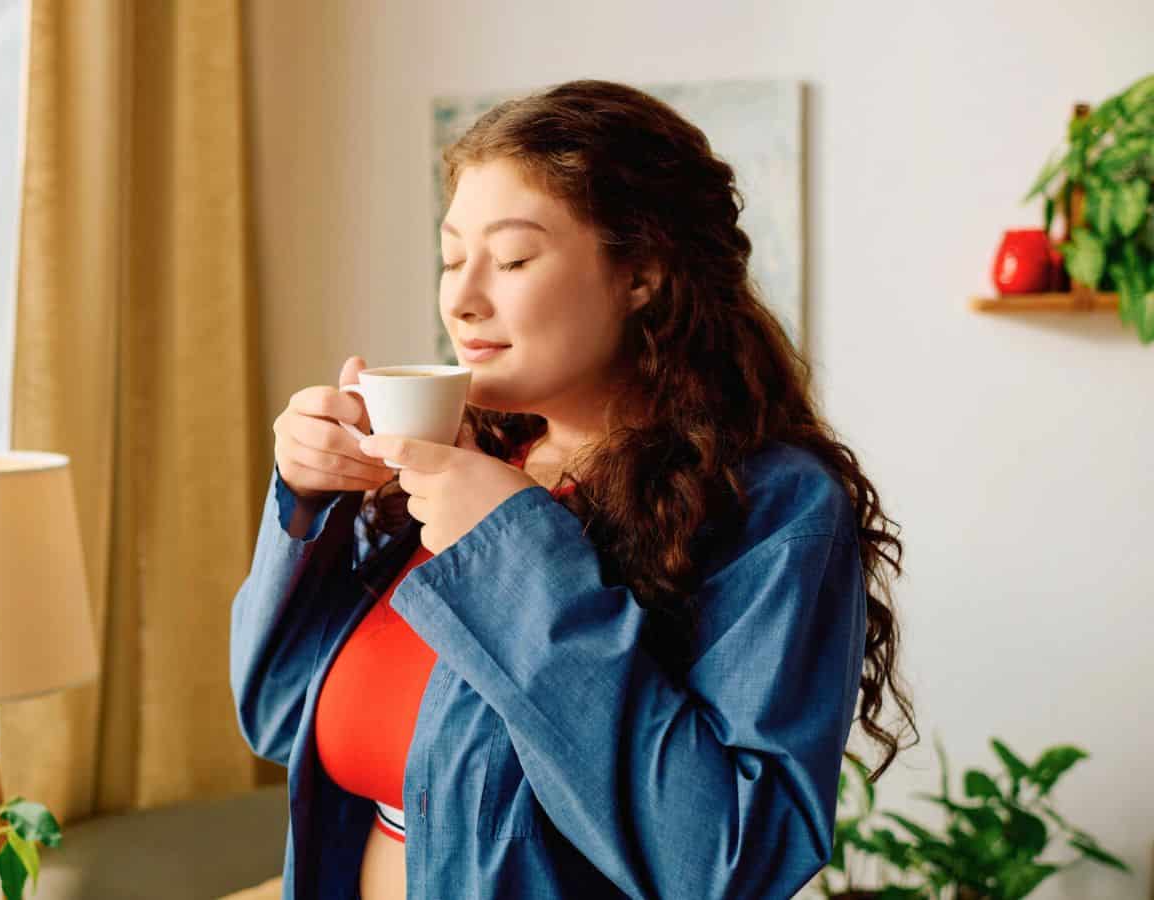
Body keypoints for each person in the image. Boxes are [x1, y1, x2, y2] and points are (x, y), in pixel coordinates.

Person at [230, 79, 915, 900]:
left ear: (643, 275)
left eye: (513, 258)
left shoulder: (773, 507)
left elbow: (726, 863)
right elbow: (276, 718)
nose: (461, 297)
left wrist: (513, 558)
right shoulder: (453, 466)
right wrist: (313, 506)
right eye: (451, 258)